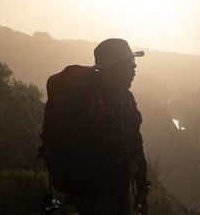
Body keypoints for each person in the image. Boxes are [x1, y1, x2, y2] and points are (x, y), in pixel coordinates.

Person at [61, 38, 149, 214]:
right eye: (129, 61)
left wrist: (142, 190)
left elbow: (136, 144)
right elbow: (72, 150)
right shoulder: (85, 99)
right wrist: (122, 170)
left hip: (119, 193)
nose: (134, 67)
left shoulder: (126, 99)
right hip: (94, 196)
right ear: (113, 66)